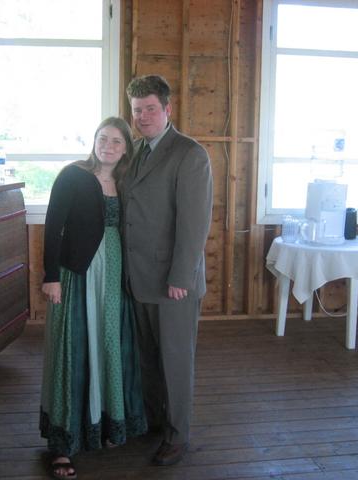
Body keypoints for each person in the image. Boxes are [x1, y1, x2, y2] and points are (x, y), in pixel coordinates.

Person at [39, 117, 147, 480]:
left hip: (114, 275)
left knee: (109, 346)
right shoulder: (73, 175)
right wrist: (51, 276)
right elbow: (53, 225)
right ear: (94, 141)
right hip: (77, 274)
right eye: (103, 139)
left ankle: (103, 424)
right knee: (73, 352)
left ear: (126, 148)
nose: (108, 146)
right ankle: (62, 444)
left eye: (117, 141)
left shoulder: (126, 182)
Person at [122, 75, 213, 466]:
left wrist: (181, 277)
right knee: (147, 359)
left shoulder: (189, 154)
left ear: (167, 109)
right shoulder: (135, 150)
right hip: (137, 276)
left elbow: (194, 224)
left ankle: (177, 436)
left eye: (150, 109)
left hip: (172, 282)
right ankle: (155, 421)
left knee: (175, 362)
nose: (143, 116)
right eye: (137, 110)